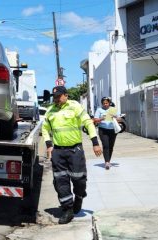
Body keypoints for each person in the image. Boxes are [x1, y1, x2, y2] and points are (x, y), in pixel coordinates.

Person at [42, 86, 102, 224]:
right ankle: (67, 210)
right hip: (58, 151)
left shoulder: (75, 106)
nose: (56, 99)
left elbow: (88, 122)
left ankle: (79, 195)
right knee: (60, 181)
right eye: (54, 96)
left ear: (66, 95)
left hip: (75, 150)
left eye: (58, 96)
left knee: (79, 179)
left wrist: (95, 142)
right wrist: (49, 145)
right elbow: (45, 129)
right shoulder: (50, 110)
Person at [94, 97, 121, 170]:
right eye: (104, 103)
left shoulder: (113, 109)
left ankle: (108, 160)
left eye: (106, 103)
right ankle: (107, 162)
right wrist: (101, 119)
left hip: (113, 130)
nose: (105, 104)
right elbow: (95, 120)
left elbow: (120, 119)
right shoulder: (99, 110)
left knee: (111, 146)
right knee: (105, 145)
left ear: (109, 103)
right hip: (103, 130)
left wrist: (115, 117)